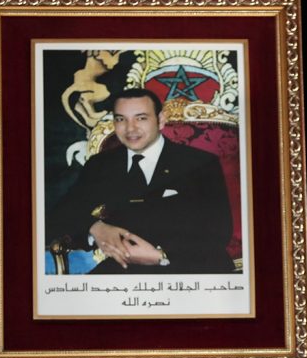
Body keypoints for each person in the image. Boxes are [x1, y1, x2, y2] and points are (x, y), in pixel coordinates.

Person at [49, 88, 234, 274]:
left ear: (160, 120)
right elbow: (62, 215)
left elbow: (219, 230)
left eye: (141, 118)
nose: (131, 128)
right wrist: (95, 228)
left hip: (192, 267)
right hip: (122, 268)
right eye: (121, 119)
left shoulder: (200, 163)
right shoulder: (101, 165)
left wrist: (162, 256)